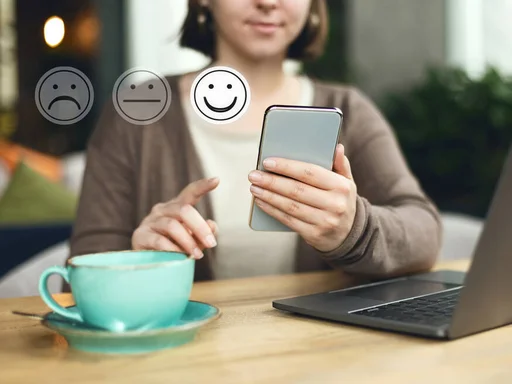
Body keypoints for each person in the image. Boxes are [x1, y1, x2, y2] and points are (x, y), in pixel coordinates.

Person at [68, 0, 442, 282]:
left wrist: (353, 230)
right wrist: (137, 257)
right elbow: (85, 263)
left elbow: (423, 230)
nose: (267, 2)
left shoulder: (349, 110)